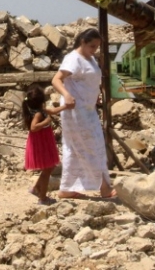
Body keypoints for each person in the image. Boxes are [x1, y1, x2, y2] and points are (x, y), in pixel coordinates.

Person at [51, 28, 117, 199]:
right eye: (92, 46)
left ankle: (66, 188)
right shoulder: (73, 59)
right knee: (89, 146)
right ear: (83, 42)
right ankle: (104, 187)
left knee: (78, 147)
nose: (94, 50)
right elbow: (56, 79)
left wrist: (96, 95)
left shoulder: (90, 59)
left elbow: (90, 81)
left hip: (88, 109)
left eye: (97, 47)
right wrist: (66, 95)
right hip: (76, 111)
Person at [22, 85, 66, 205]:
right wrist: (46, 122)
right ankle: (43, 198)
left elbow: (53, 111)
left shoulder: (41, 111)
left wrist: (66, 106)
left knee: (49, 168)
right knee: (47, 170)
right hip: (42, 144)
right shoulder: (38, 114)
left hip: (45, 142)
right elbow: (33, 127)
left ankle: (36, 188)